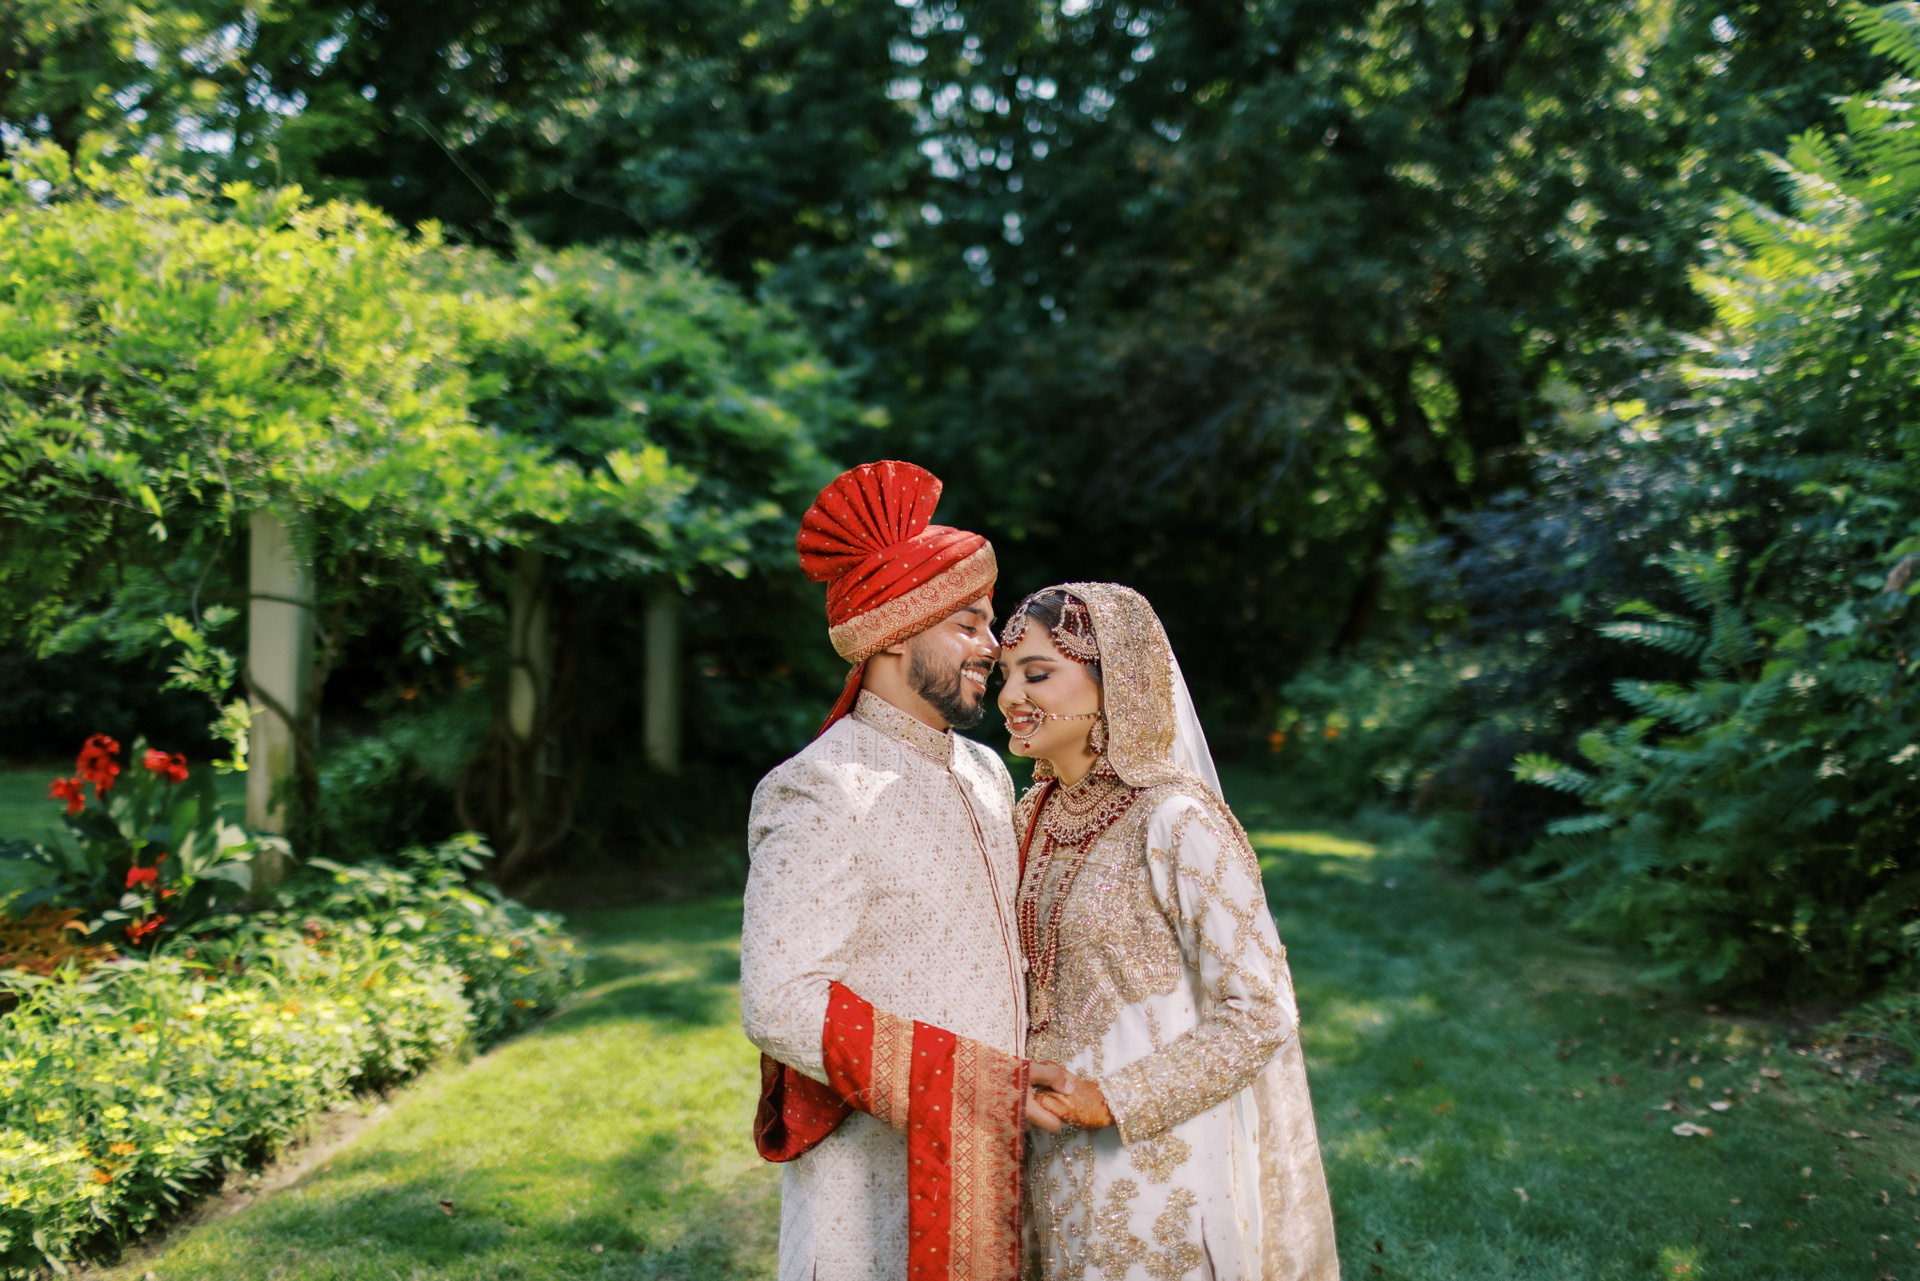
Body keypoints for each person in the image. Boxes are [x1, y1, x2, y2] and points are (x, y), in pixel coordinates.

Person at [740, 460, 1066, 1281]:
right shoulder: (820, 786)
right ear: (891, 629)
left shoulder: (987, 771)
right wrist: (959, 1081)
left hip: (1000, 1151)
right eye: (967, 624)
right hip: (872, 1181)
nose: (992, 647)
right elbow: (779, 997)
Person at [999, 583, 1340, 1280]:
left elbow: (1263, 1008)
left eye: (1037, 673)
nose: (1009, 696)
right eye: (1005, 674)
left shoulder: (1176, 820)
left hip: (1157, 1155)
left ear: (1115, 685)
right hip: (1045, 1145)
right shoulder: (1031, 817)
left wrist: (1115, 1100)